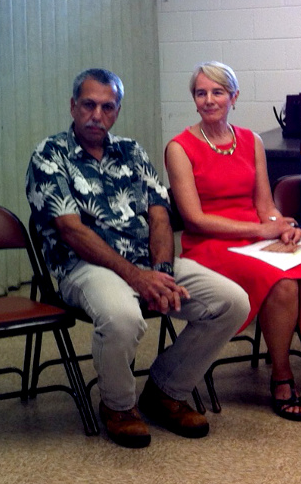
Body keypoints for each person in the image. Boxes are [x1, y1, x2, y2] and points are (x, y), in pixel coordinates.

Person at [26, 68, 249, 448]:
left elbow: (159, 213)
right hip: (85, 266)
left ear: (117, 110)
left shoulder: (131, 151)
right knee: (123, 317)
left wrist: (160, 273)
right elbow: (71, 230)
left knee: (231, 302)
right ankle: (118, 406)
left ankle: (165, 390)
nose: (97, 115)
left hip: (146, 261)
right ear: (73, 106)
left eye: (108, 107)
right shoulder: (49, 155)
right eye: (89, 105)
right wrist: (136, 277)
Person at [165, 62, 301, 432]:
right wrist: (261, 230)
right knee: (280, 283)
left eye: (218, 92)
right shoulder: (179, 148)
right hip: (210, 245)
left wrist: (283, 226)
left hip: (257, 236)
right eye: (201, 93)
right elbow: (195, 219)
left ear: (234, 97)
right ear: (194, 99)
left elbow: (266, 204)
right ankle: (281, 377)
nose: (209, 100)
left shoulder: (251, 141)